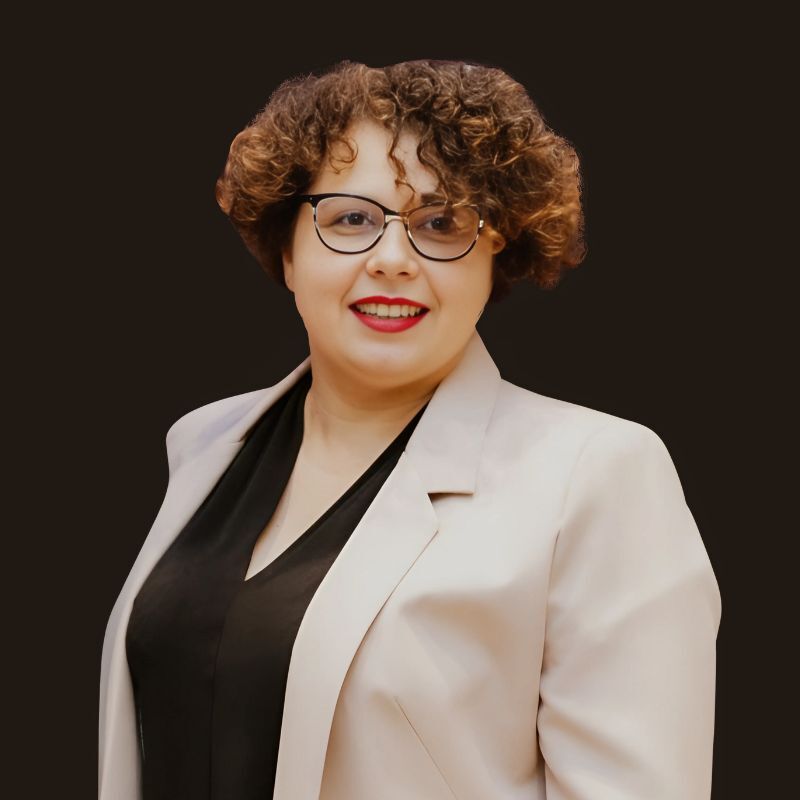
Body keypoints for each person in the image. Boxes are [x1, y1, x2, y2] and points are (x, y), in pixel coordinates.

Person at [98, 59, 722, 800]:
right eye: (351, 219)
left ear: (498, 253)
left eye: (441, 223)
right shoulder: (205, 443)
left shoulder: (596, 475)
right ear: (287, 250)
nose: (392, 259)